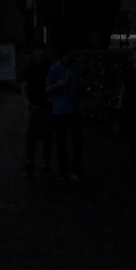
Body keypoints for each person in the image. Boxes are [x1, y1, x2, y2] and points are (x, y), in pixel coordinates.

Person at [46, 48, 83, 180]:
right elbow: (47, 88)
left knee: (77, 140)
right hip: (59, 109)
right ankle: (64, 169)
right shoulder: (54, 68)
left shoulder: (75, 67)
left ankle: (75, 168)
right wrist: (58, 84)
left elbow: (78, 84)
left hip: (72, 107)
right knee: (61, 141)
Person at [21, 45, 54, 176]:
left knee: (47, 136)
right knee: (30, 136)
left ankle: (46, 162)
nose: (40, 54)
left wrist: (51, 98)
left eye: (42, 51)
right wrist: (26, 102)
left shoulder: (49, 67)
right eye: (38, 51)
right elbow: (24, 86)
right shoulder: (29, 68)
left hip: (46, 106)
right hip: (33, 106)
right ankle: (30, 161)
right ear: (34, 53)